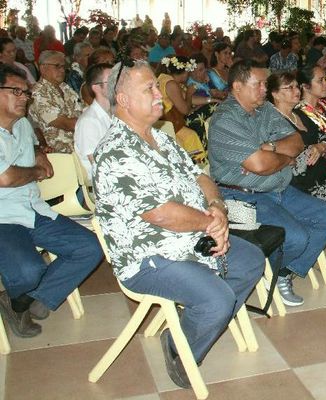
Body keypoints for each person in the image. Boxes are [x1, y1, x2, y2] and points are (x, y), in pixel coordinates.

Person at [94, 59, 263, 388]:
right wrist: (208, 224)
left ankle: (190, 327)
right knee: (217, 300)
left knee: (251, 261)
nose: (160, 94)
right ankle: (182, 348)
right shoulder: (116, 152)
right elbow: (160, 214)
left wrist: (217, 210)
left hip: (193, 237)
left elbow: (201, 177)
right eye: (149, 89)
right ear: (123, 99)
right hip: (148, 257)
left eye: (156, 86)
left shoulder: (162, 139)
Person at [208, 59, 326, 306]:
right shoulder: (225, 120)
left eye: (265, 84)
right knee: (296, 237)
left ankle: (282, 271)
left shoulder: (265, 110)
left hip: (277, 188)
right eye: (258, 84)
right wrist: (280, 157)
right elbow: (259, 165)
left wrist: (268, 150)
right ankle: (271, 268)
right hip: (242, 195)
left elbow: (297, 142)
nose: (263, 90)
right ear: (237, 86)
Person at [0, 64, 101, 338]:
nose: (24, 98)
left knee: (89, 248)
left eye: (26, 92)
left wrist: (38, 151)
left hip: (33, 208)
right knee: (29, 270)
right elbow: (6, 178)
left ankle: (22, 301)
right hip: (3, 217)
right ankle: (24, 294)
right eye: (15, 92)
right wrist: (35, 171)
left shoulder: (21, 124)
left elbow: (32, 141)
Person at [267, 72, 326, 206]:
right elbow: (287, 159)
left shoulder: (299, 114)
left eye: (297, 86)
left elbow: (325, 137)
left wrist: (322, 146)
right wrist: (311, 149)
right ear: (275, 94)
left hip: (325, 178)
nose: (296, 90)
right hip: (304, 187)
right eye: (289, 88)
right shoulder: (273, 122)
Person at [157, 55, 209, 164]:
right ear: (184, 72)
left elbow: (192, 100)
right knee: (192, 135)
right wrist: (190, 93)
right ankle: (199, 168)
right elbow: (185, 110)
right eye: (188, 72)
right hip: (171, 125)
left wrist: (211, 100)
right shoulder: (171, 84)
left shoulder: (164, 78)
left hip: (167, 123)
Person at [29, 50, 83, 153]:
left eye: (63, 66)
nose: (62, 70)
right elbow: (66, 124)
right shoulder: (39, 93)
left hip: (78, 145)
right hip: (58, 153)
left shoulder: (64, 87)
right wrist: (93, 123)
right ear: (43, 68)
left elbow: (82, 109)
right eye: (57, 66)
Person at [74, 63, 112, 182]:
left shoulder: (115, 114)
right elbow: (100, 166)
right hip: (102, 183)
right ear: (96, 87)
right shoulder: (89, 122)